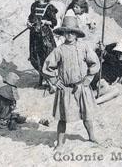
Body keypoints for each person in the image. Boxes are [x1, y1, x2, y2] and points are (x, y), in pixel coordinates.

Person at [43, 15, 101, 148]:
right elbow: (48, 66)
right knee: (62, 118)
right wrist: (53, 79)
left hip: (82, 86)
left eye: (72, 32)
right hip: (66, 88)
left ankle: (91, 136)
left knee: (87, 115)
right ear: (63, 33)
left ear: (76, 34)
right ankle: (60, 143)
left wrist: (88, 79)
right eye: (66, 32)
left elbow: (95, 63)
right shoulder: (59, 50)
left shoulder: (83, 47)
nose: (69, 35)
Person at [27, 0, 58, 92]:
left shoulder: (49, 7)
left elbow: (54, 22)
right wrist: (29, 23)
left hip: (45, 37)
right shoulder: (34, 6)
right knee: (35, 57)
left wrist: (45, 22)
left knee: (46, 58)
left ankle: (51, 83)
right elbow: (30, 18)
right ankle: (43, 78)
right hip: (34, 36)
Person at [91, 39, 122, 105]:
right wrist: (102, 50)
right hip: (99, 78)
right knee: (105, 87)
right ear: (116, 51)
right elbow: (105, 55)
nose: (121, 55)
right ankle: (90, 96)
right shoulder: (112, 57)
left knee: (116, 91)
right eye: (119, 52)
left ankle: (96, 102)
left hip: (107, 83)